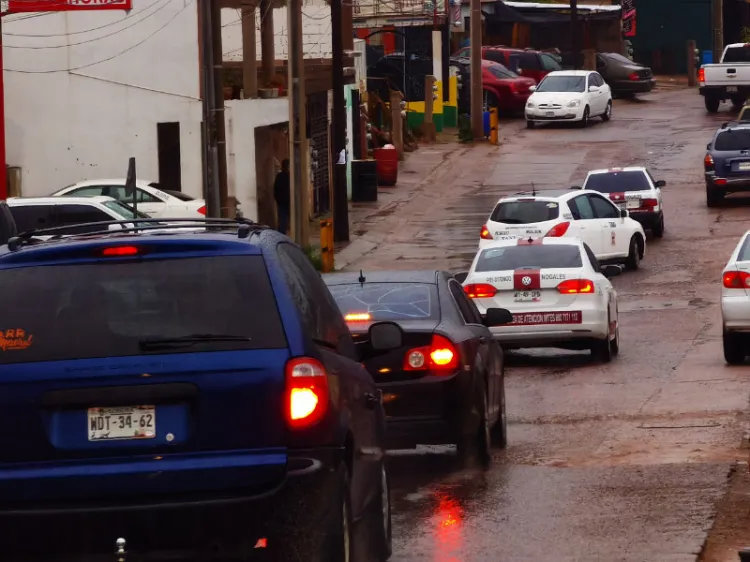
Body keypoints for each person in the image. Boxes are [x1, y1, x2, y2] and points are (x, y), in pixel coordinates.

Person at [273, 159, 290, 234]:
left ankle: (282, 233)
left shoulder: (280, 176)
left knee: (283, 220)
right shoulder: (287, 176)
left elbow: (275, 189)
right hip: (285, 202)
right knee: (283, 220)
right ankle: (282, 234)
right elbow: (276, 189)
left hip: (283, 202)